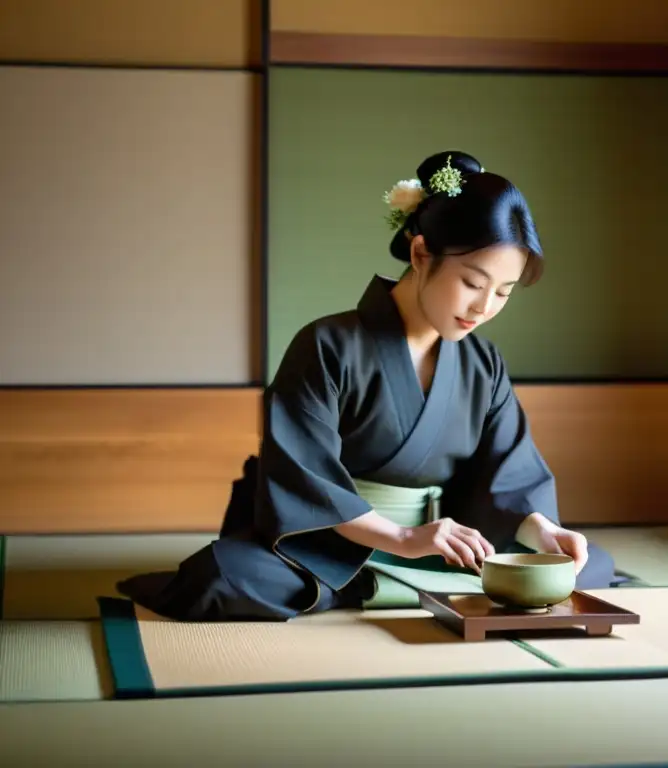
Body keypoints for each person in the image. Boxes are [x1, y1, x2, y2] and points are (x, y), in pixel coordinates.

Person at [117, 150, 618, 621]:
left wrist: (543, 530)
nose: (484, 307)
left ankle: (374, 588)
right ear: (421, 253)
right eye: (472, 282)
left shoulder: (482, 363)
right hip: (330, 542)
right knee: (221, 578)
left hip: (443, 543)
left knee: (590, 565)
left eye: (503, 292)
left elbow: (508, 477)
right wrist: (401, 537)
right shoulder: (326, 344)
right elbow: (301, 475)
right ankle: (387, 581)